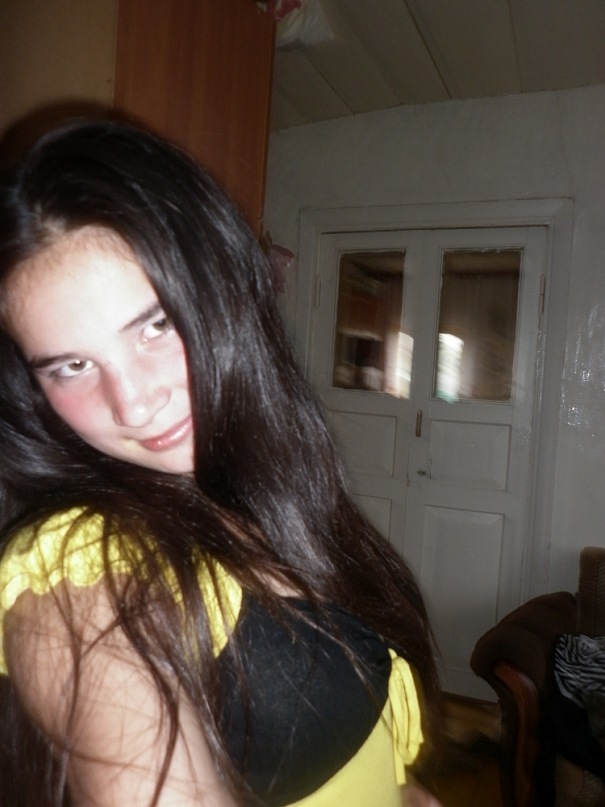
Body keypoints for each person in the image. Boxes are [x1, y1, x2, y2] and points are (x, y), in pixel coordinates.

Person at [0, 119, 442, 806]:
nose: (134, 404)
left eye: (156, 325)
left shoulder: (253, 493)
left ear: (228, 291)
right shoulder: (79, 566)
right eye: (72, 366)